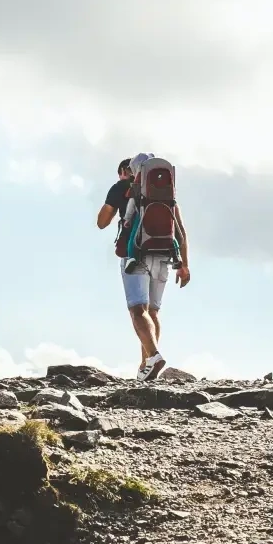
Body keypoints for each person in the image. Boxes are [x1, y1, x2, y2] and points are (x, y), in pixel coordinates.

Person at [97, 153, 191, 382]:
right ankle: (145, 366)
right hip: (164, 255)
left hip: (136, 255)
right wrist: (184, 265)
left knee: (138, 309)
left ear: (127, 171)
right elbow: (180, 231)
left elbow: (102, 222)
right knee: (153, 312)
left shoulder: (123, 187)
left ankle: (154, 356)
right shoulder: (167, 194)